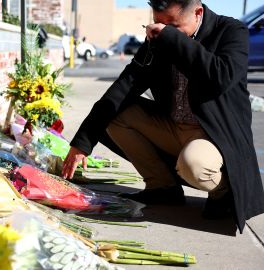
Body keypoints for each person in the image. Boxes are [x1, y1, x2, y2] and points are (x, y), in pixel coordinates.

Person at [61, 0, 264, 233]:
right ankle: (162, 187)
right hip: (171, 126)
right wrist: (82, 143)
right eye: (158, 22)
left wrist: (172, 39)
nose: (161, 30)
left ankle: (223, 192)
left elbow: (220, 76)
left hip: (213, 135)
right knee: (116, 113)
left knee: (195, 165)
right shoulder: (159, 40)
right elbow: (123, 87)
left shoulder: (230, 30)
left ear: (198, 13)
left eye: (172, 25)